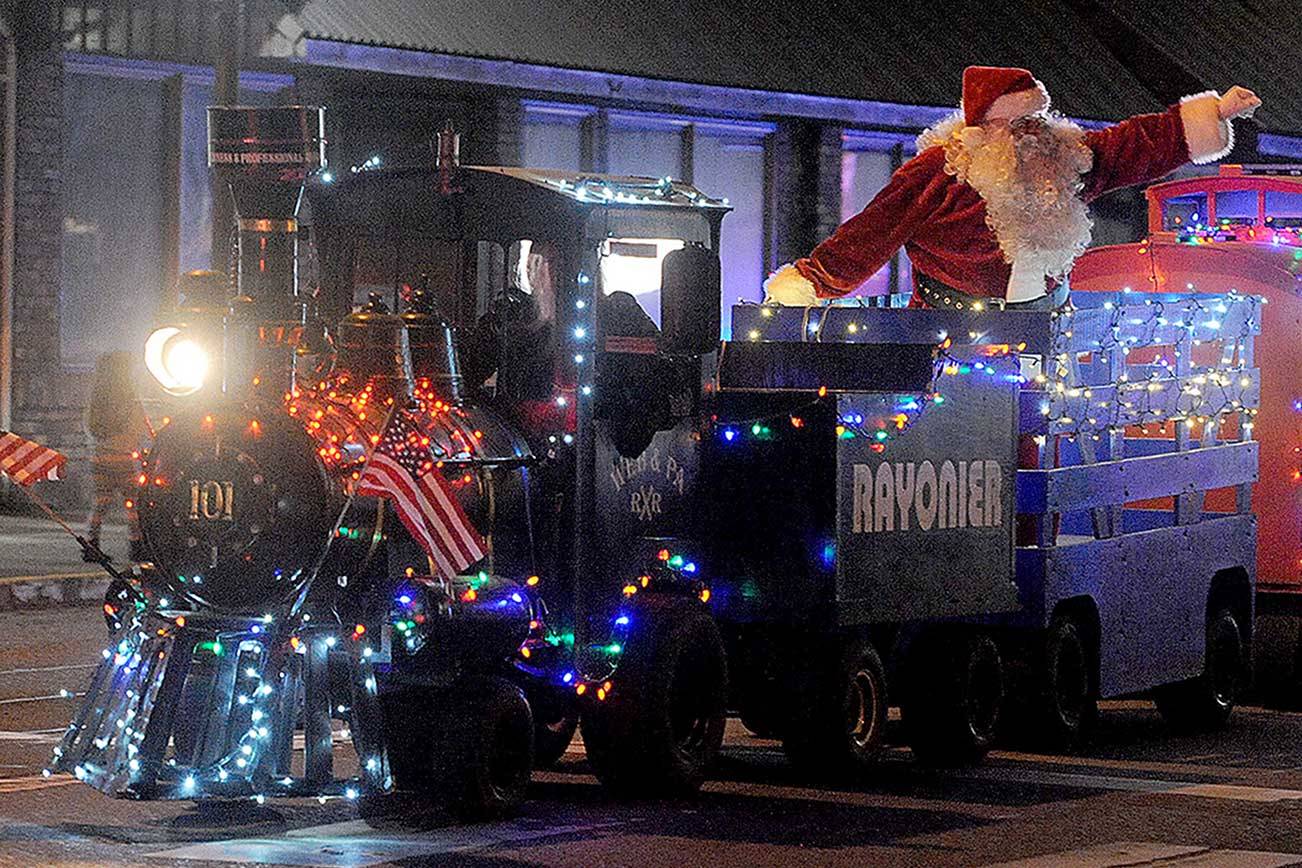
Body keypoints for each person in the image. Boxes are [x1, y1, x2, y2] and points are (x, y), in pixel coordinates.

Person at [763, 66, 1262, 310]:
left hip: (1047, 334)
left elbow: (1137, 143)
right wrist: (808, 282)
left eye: (1038, 120)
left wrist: (1213, 112)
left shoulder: (1067, 160)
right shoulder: (938, 174)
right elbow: (869, 235)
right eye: (1020, 124)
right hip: (951, 339)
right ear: (986, 130)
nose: (1035, 134)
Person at [84, 351, 147, 562]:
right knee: (132, 503)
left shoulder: (97, 400)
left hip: (100, 456)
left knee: (100, 502)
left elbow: (91, 428)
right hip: (122, 458)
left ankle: (91, 544)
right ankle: (136, 545)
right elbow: (139, 429)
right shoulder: (129, 400)